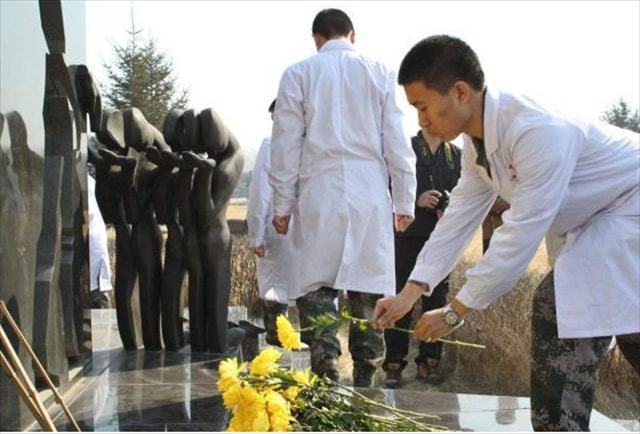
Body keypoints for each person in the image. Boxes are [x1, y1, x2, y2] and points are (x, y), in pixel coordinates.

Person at [373, 35, 639, 431]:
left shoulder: (534, 130)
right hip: (602, 220)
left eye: (423, 106)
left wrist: (455, 310)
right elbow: (460, 215)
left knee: (562, 304)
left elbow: (519, 235)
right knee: (619, 317)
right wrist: (410, 292)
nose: (421, 120)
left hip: (629, 204)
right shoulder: (477, 143)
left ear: (460, 91)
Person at [269, 8, 416, 387]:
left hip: (319, 191)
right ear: (354, 35)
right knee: (368, 289)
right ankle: (367, 379)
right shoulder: (379, 72)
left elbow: (286, 145)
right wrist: (404, 201)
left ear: (317, 39)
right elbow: (397, 142)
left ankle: (326, 374)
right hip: (370, 193)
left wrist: (282, 205)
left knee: (317, 287)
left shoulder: (298, 73)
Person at [383, 128, 461, 388]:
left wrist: (448, 208)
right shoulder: (405, 149)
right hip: (407, 236)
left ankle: (429, 362)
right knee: (401, 298)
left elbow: (465, 197)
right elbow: (385, 188)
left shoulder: (456, 155)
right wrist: (415, 200)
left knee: (436, 301)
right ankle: (394, 365)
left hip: (441, 240)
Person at [247, 99, 298, 345]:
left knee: (275, 291)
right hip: (309, 232)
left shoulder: (271, 146)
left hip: (278, 229)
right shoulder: (315, 144)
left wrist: (256, 235)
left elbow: (260, 194)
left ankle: (277, 344)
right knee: (307, 292)